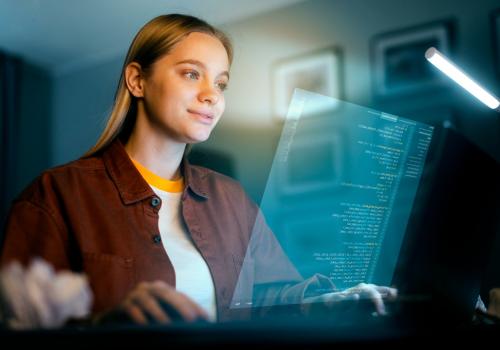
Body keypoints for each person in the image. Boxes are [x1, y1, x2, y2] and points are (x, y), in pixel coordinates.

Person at [0, 14, 397, 326]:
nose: (212, 95)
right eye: (192, 74)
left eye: (221, 83)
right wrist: (107, 326)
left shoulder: (232, 199)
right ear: (138, 80)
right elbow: (19, 325)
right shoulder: (56, 194)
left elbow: (274, 299)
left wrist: (326, 304)